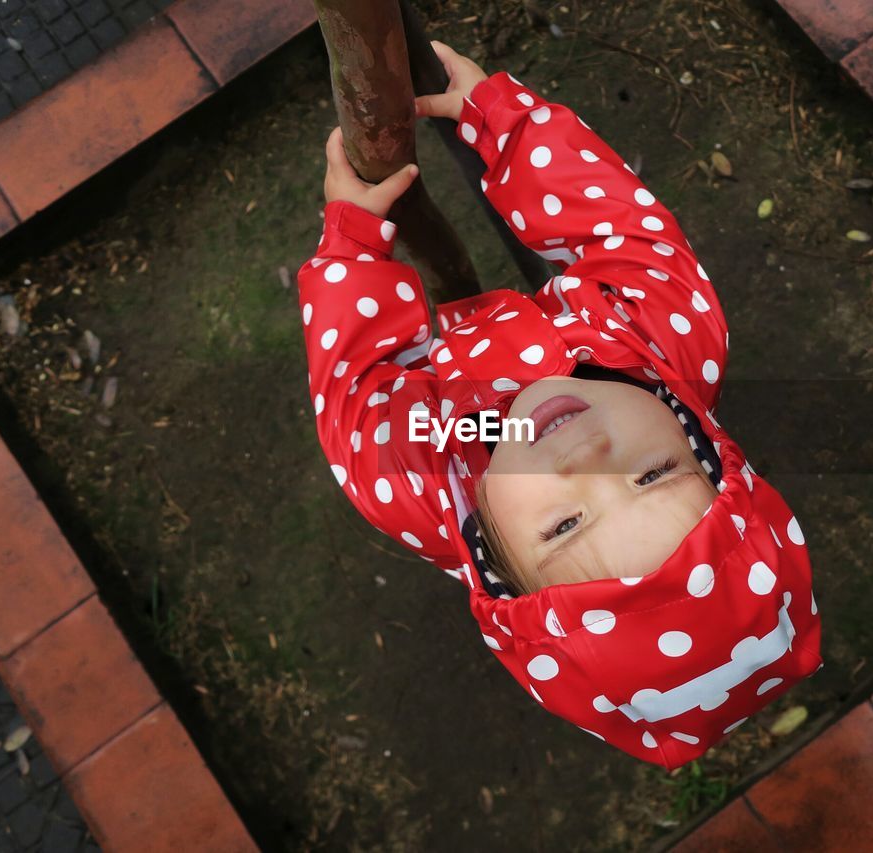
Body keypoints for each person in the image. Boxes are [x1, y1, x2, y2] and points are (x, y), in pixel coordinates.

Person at [295, 40, 822, 770]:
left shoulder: (426, 472)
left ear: (497, 565)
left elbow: (355, 382)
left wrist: (353, 247)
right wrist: (503, 125)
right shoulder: (668, 341)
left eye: (566, 522)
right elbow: (623, 229)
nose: (584, 457)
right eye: (654, 475)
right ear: (703, 446)